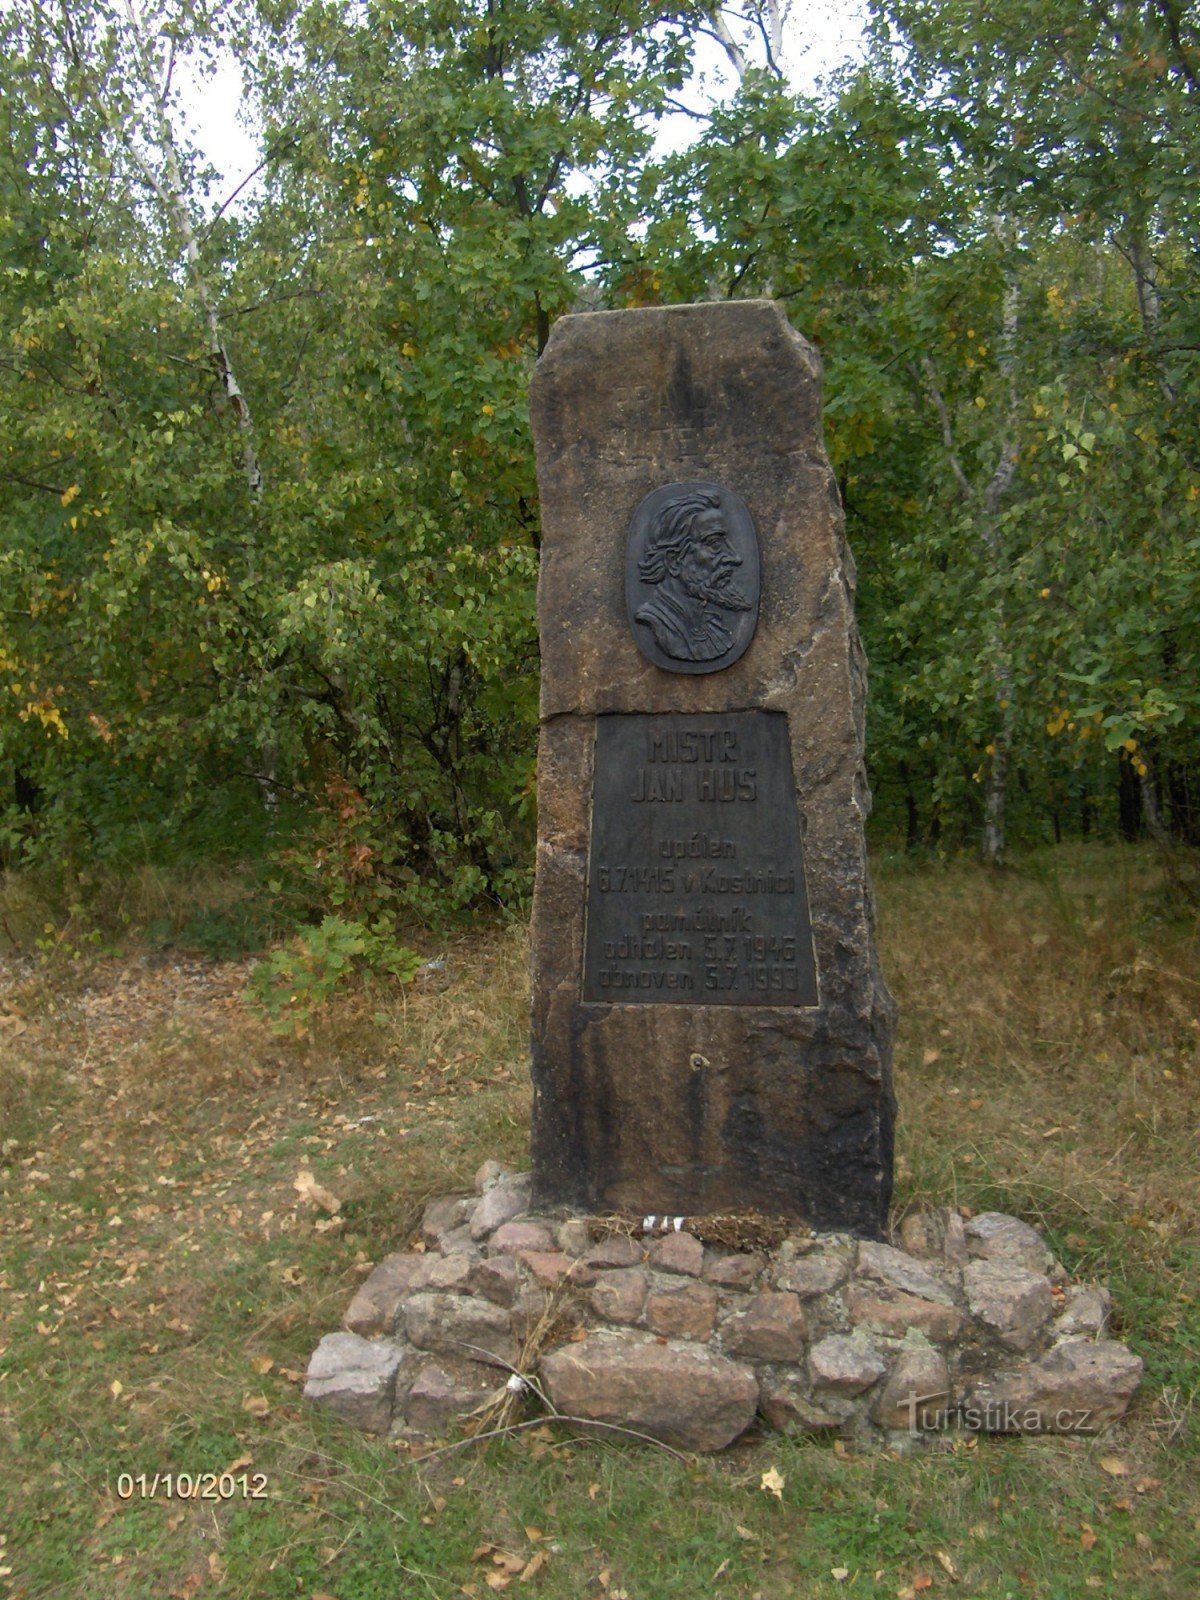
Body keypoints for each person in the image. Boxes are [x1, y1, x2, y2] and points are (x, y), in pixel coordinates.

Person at [634, 490, 752, 663]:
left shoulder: (713, 626)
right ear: (674, 561)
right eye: (714, 544)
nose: (734, 558)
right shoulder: (657, 623)